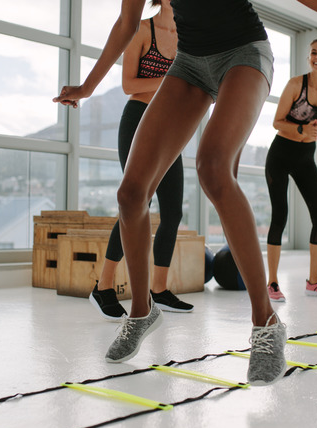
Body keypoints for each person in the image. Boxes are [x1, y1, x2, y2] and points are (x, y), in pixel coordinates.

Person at [55, 0, 317, 386]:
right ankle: (142, 312)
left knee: (212, 167)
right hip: (189, 63)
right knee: (130, 194)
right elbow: (126, 23)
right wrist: (88, 87)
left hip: (244, 53)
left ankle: (266, 322)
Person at [89, 0, 194, 322]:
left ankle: (158, 289)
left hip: (172, 125)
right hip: (138, 119)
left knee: (173, 210)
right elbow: (129, 84)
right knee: (137, 204)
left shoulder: (192, 36)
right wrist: (172, 82)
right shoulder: (142, 30)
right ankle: (103, 286)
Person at [265, 37, 317, 302]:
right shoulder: (295, 84)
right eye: (313, 52)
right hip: (280, 154)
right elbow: (277, 122)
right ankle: (272, 283)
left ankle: (314, 282)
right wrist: (301, 128)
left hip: (305, 157)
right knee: (280, 216)